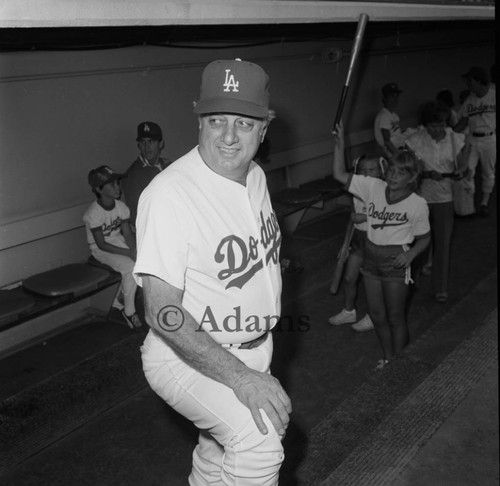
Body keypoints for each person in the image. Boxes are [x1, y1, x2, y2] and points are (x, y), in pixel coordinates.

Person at [134, 59, 291, 485]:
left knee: (217, 446)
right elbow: (162, 312)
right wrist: (240, 377)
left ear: (264, 127)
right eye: (216, 119)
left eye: (243, 123)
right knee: (258, 440)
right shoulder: (170, 194)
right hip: (184, 355)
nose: (227, 136)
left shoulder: (255, 176)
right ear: (198, 118)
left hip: (254, 345)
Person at [333, 124, 430, 369]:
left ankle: (400, 361)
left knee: (396, 316)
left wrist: (411, 256)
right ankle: (388, 358)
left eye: (401, 173)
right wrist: (340, 144)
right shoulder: (373, 187)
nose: (393, 177)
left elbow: (425, 238)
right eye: (392, 171)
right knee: (377, 316)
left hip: (396, 260)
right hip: (370, 257)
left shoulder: (417, 204)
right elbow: (339, 175)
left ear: (412, 178)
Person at [406, 101, 466, 303]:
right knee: (416, 241)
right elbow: (408, 168)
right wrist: (424, 173)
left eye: (440, 124)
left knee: (443, 243)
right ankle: (412, 282)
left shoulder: (454, 139)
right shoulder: (415, 139)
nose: (437, 129)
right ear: (425, 124)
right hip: (420, 198)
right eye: (432, 125)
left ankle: (440, 287)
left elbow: (464, 165)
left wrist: (460, 172)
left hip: (444, 198)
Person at [328, 154, 386, 332]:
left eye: (372, 170)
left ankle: (373, 315)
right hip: (358, 239)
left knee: (373, 282)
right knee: (349, 277)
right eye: (362, 171)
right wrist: (345, 244)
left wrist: (364, 216)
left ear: (381, 171)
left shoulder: (384, 189)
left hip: (375, 240)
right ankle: (349, 311)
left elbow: (389, 216)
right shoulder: (356, 189)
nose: (367, 174)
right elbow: (352, 219)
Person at [83, 165, 142, 329]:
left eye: (117, 183)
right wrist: (128, 253)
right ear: (99, 189)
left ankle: (117, 303)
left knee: (140, 261)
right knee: (130, 267)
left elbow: (127, 235)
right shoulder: (92, 214)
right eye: (112, 185)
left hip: (118, 242)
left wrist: (133, 250)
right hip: (100, 250)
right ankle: (129, 311)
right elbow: (101, 244)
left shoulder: (121, 207)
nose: (118, 187)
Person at [454, 66, 496, 217]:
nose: (468, 84)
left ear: (479, 81)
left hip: (489, 138)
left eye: (470, 81)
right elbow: (463, 122)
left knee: (488, 172)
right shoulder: (470, 100)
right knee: (467, 171)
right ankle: (468, 206)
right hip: (473, 140)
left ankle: (484, 203)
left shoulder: (493, 95)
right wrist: (448, 132)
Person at [121, 121, 171, 229]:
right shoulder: (133, 175)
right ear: (138, 145)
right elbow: (135, 216)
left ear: (161, 143)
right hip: (156, 228)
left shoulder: (169, 166)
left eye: (151, 141)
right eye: (143, 142)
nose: (147, 147)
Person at [374, 83, 407, 158]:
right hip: (391, 153)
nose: (395, 99)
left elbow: (397, 134)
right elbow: (387, 142)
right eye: (392, 96)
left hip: (399, 147)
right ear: (384, 98)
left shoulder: (394, 115)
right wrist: (398, 154)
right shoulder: (384, 115)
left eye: (396, 96)